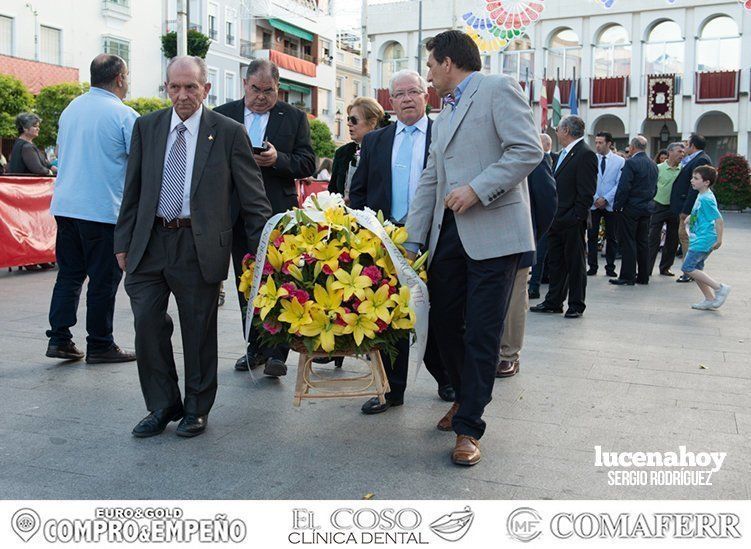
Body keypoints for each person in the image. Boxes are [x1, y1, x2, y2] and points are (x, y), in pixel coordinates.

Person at [114, 56, 271, 438]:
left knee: (198, 329)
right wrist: (122, 241)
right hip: (149, 242)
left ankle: (196, 408)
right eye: (175, 87)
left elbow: (253, 199)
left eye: (191, 87)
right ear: (166, 88)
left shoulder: (229, 132)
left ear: (206, 89)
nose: (182, 95)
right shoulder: (145, 127)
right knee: (147, 324)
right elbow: (132, 190)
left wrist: (266, 252)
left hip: (198, 245)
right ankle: (162, 404)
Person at [405, 30, 542, 466]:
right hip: (448, 236)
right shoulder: (443, 114)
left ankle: (469, 427)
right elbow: (431, 178)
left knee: (482, 332)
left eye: (430, 65)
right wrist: (410, 240)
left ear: (448, 63)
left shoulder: (499, 88)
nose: (428, 74)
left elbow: (528, 150)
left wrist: (477, 190)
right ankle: (465, 397)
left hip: (496, 236)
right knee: (442, 325)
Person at [348, 69, 454, 413]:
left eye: (414, 92)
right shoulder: (376, 140)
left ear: (427, 95)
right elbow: (361, 190)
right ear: (390, 102)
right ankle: (392, 390)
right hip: (386, 239)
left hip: (435, 238)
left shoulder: (444, 133)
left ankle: (447, 378)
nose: (408, 98)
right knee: (390, 316)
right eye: (400, 94)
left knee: (439, 311)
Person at [214, 59, 315, 377]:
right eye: (255, 89)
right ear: (245, 84)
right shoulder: (222, 115)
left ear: (278, 88)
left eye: (268, 91)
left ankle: (277, 353)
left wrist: (277, 159)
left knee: (279, 281)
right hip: (234, 212)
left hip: (276, 214)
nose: (260, 96)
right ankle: (254, 347)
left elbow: (307, 162)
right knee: (246, 284)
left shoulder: (294, 117)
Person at [43, 55, 138, 363]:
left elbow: (59, 153)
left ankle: (59, 338)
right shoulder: (124, 115)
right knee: (103, 280)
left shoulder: (71, 109)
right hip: (102, 210)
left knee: (69, 275)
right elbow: (138, 164)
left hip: (67, 206)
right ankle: (100, 343)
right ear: (120, 78)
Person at [497, 133, 557, 378]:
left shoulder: (531, 154)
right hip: (480, 239)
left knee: (513, 302)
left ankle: (508, 355)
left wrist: (530, 234)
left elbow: (547, 202)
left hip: (516, 241)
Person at [530, 115, 597, 319]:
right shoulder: (562, 155)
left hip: (571, 221)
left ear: (566, 131)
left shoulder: (585, 154)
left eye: (558, 128)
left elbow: (586, 191)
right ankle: (554, 301)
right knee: (556, 263)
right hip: (556, 220)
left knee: (575, 264)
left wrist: (576, 217)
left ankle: (576, 304)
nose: (556, 132)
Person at [610, 136, 658, 286]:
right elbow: (654, 187)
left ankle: (627, 276)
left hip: (631, 207)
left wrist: (617, 205)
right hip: (647, 207)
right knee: (643, 241)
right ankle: (643, 276)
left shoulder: (631, 163)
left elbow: (624, 187)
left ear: (632, 147)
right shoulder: (653, 164)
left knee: (628, 241)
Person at [681, 166, 730, 310]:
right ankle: (709, 299)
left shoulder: (707, 198)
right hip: (700, 237)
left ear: (706, 182)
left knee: (688, 267)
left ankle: (720, 288)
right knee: (697, 269)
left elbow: (719, 220)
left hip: (704, 239)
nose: (692, 181)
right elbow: (701, 211)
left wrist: (719, 240)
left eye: (696, 178)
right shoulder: (702, 194)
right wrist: (691, 217)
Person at [669, 133, 712, 283]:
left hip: (689, 208)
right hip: (687, 206)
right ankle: (694, 270)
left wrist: (686, 211)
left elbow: (693, 188)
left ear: (693, 146)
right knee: (687, 238)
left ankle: (690, 271)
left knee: (686, 238)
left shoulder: (701, 159)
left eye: (687, 144)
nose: (684, 147)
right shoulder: (696, 159)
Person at [327, 97, 385, 201]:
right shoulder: (342, 152)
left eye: (354, 120)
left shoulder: (386, 151)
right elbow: (333, 190)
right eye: (348, 119)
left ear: (372, 122)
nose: (349, 123)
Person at [587, 131, 625, 278]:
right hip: (594, 203)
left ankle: (610, 267)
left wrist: (606, 199)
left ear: (609, 144)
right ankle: (592, 266)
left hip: (610, 204)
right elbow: (588, 180)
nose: (597, 145)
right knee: (592, 235)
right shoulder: (590, 159)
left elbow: (619, 183)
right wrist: (596, 198)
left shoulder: (619, 161)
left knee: (612, 236)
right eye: (596, 142)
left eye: (600, 142)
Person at [647, 141, 684, 276]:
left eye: (683, 152)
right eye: (679, 151)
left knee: (672, 239)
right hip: (658, 205)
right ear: (670, 152)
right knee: (653, 238)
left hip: (675, 208)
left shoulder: (683, 170)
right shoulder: (658, 168)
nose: (682, 154)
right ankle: (647, 268)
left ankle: (665, 267)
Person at [527, 133, 555, 299]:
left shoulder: (542, 161)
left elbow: (547, 197)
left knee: (541, 252)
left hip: (541, 217)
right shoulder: (531, 160)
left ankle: (535, 285)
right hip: (533, 217)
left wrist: (541, 224)